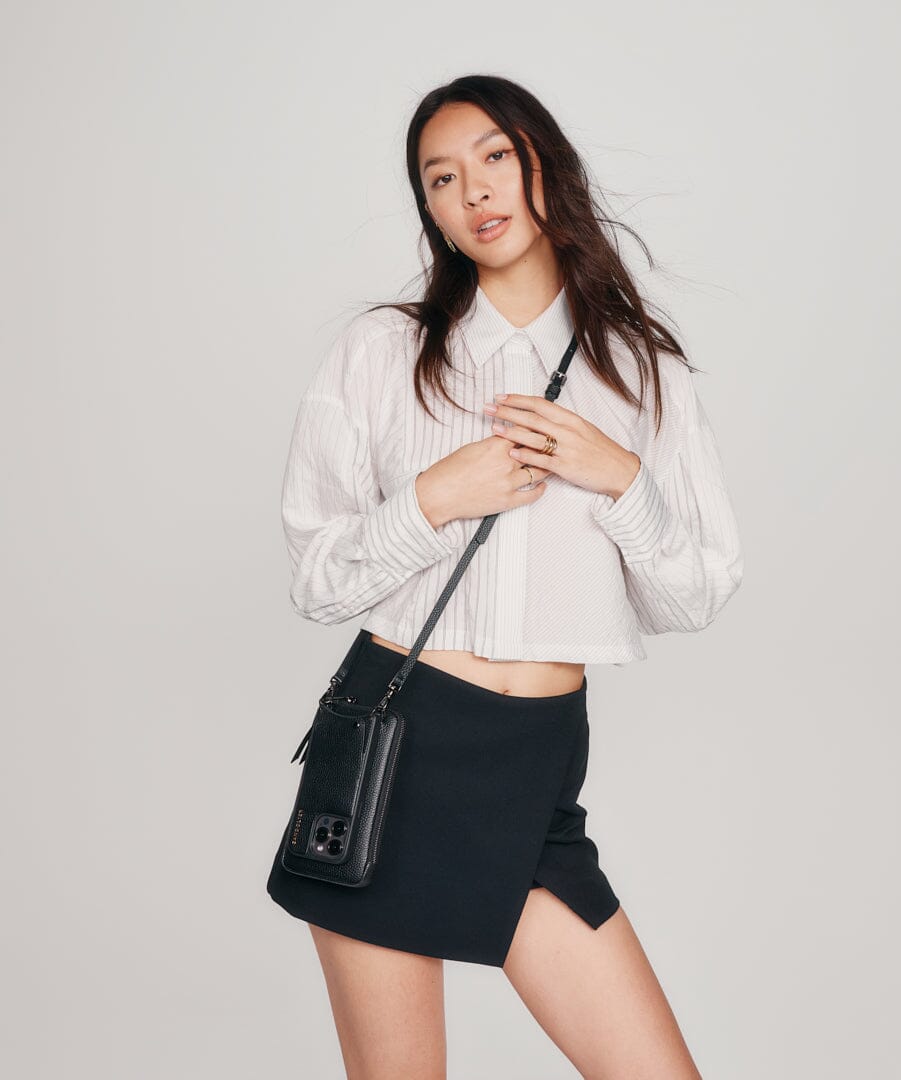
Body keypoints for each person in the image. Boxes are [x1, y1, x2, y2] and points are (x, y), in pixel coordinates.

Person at [266, 73, 744, 1080]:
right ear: (431, 211)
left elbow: (694, 593)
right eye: (441, 178)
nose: (474, 190)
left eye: (494, 158)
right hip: (397, 756)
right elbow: (318, 579)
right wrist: (433, 499)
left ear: (543, 167)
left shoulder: (641, 372)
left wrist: (620, 478)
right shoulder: (384, 352)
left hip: (536, 768)